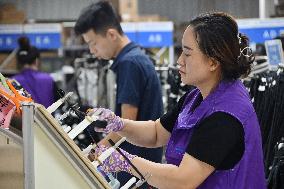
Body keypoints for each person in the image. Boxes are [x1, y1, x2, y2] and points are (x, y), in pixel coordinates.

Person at [88, 12, 267, 189]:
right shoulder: (197, 96)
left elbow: (182, 181)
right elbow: (157, 132)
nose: (179, 61)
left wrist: (126, 162)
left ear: (213, 63)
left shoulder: (225, 115)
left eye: (187, 54)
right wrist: (121, 125)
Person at [74, 1, 164, 187]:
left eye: (93, 43)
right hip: (141, 161)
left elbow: (123, 125)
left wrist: (94, 153)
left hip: (133, 164)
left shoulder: (129, 64)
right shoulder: (136, 58)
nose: (92, 50)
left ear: (111, 34)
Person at [12, 36, 58, 108]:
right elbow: (60, 104)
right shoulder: (49, 80)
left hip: (22, 119)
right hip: (47, 118)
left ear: (19, 62)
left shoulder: (11, 82)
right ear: (36, 60)